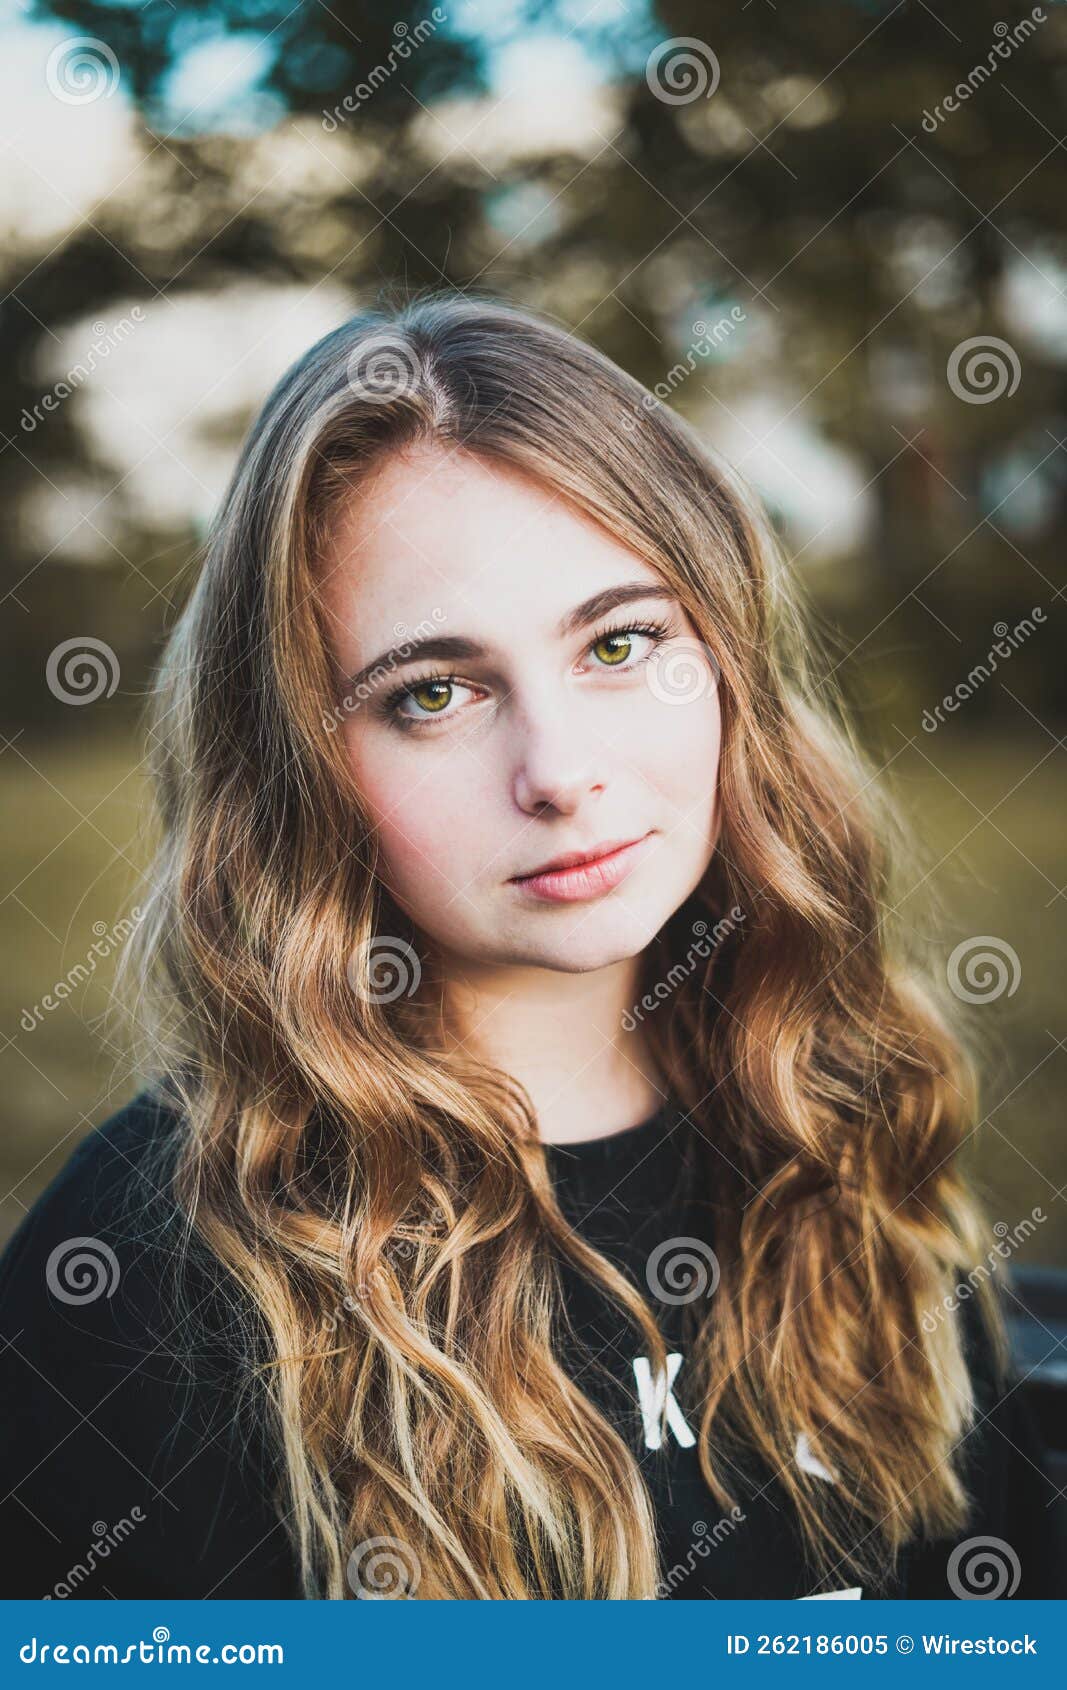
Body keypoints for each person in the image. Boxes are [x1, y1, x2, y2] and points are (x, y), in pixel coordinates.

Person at [0, 292, 1055, 1600]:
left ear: (727, 656)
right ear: (296, 764)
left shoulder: (847, 1120)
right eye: (432, 693)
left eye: (620, 642)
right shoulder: (146, 1273)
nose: (559, 772)